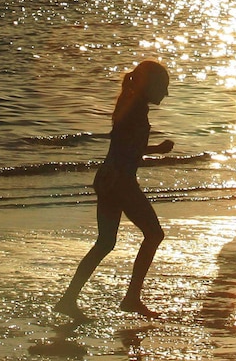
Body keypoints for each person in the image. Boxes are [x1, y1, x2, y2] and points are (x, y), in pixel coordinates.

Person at [55, 60, 174, 321]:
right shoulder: (134, 109)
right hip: (119, 181)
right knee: (154, 234)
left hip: (109, 178)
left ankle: (68, 299)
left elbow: (126, 146)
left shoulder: (132, 104)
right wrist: (157, 150)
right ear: (149, 85)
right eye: (162, 87)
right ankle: (131, 298)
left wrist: (154, 150)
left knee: (106, 242)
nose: (165, 93)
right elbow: (126, 148)